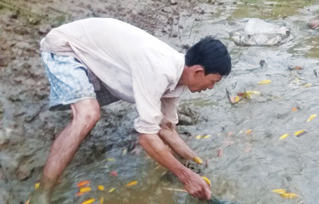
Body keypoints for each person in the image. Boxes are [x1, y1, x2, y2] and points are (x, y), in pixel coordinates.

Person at [30, 18, 231, 203]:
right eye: (212, 82)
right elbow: (146, 136)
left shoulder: (177, 77)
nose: (211, 88)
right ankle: (43, 192)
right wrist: (186, 176)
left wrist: (196, 161)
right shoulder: (159, 70)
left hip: (97, 57)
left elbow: (166, 128)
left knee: (104, 106)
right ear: (197, 71)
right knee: (87, 115)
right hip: (66, 47)